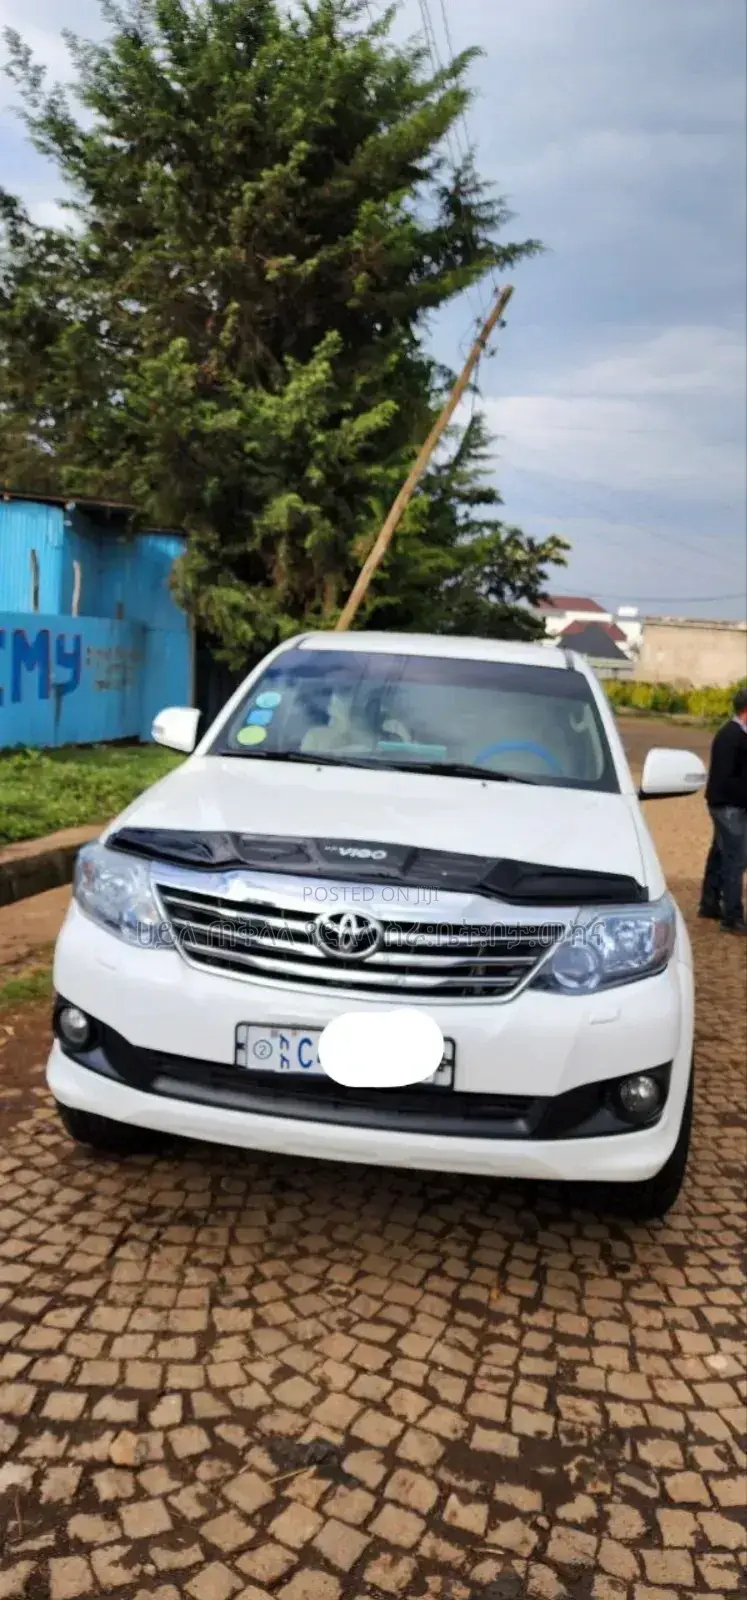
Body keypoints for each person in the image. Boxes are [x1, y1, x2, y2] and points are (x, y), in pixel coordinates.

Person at [699, 685, 747, 933]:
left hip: (727, 803)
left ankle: (709, 903)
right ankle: (733, 917)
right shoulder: (732, 736)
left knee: (720, 853)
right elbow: (727, 779)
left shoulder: (735, 734)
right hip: (729, 806)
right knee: (736, 859)